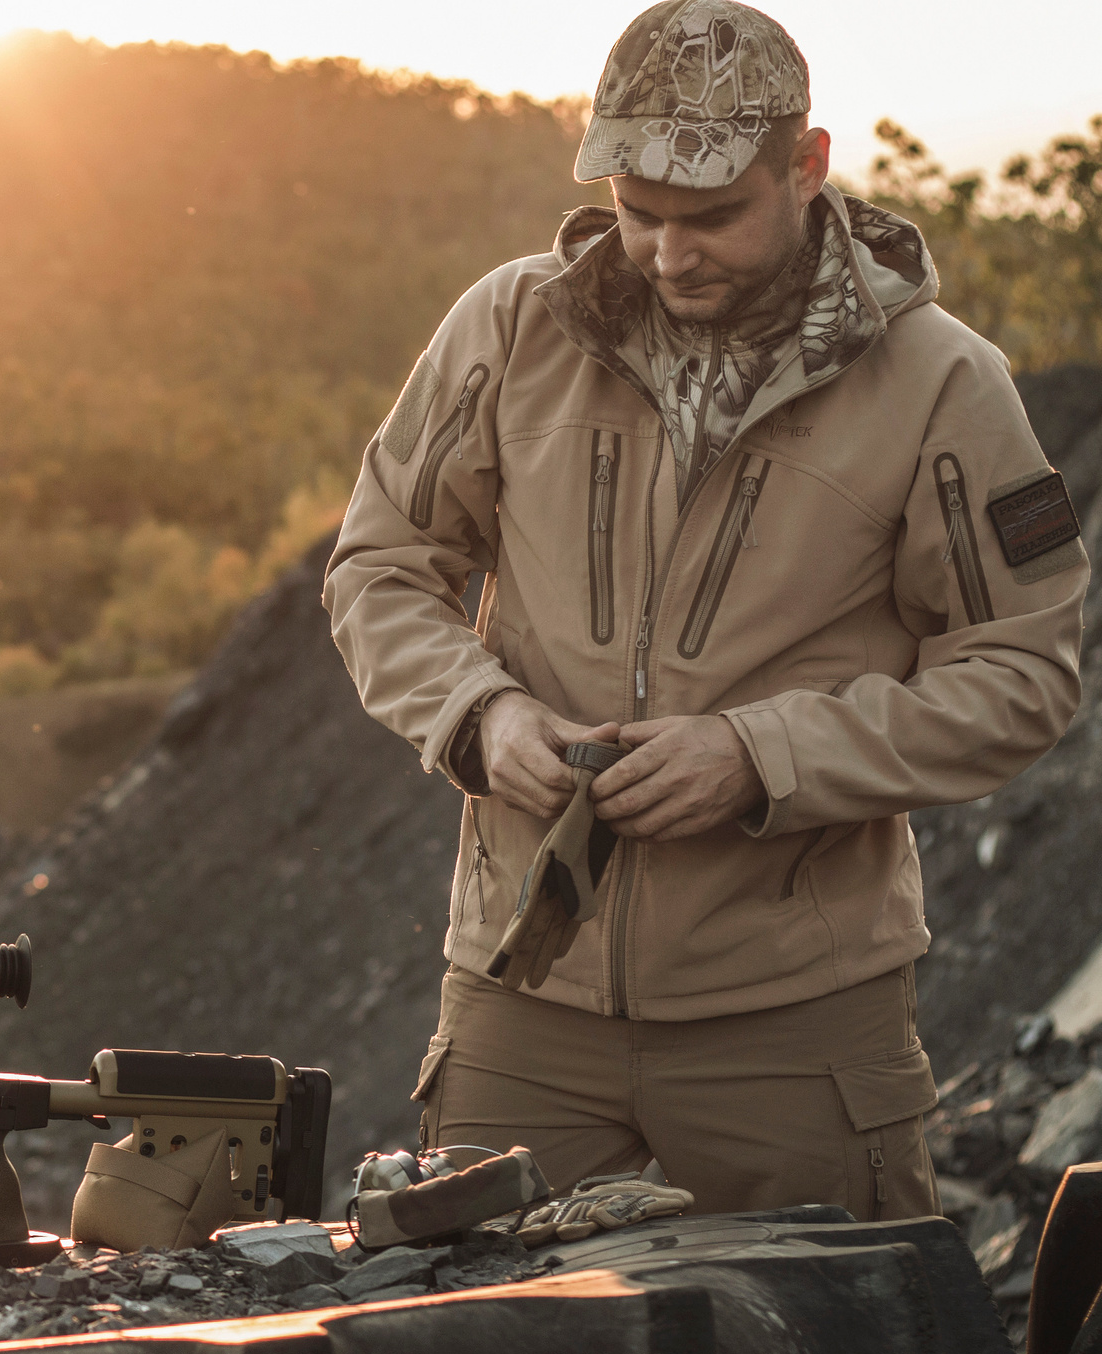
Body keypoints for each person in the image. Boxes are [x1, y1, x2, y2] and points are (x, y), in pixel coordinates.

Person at [322, 0, 1087, 1221]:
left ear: (808, 166)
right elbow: (380, 567)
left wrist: (756, 756)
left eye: (713, 215)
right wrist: (480, 717)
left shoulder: (948, 383)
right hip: (521, 1007)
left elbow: (1022, 675)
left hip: (797, 1032)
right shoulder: (507, 328)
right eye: (639, 213)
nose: (670, 255)